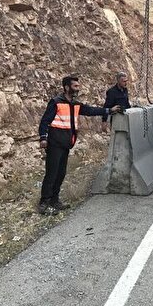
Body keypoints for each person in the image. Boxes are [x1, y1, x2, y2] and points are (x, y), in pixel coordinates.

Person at [38, 75, 114, 215]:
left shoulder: (75, 104)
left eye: (78, 86)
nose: (78, 89)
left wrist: (109, 110)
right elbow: (45, 121)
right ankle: (44, 202)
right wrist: (43, 137)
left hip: (66, 143)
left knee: (61, 173)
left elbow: (91, 111)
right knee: (52, 173)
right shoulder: (56, 102)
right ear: (67, 87)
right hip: (55, 144)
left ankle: (55, 200)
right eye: (75, 86)